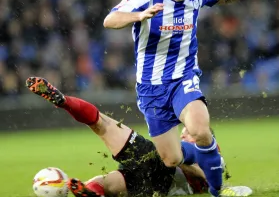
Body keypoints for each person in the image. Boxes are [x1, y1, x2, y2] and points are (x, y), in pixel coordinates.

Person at [103, 0, 278, 196]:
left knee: (200, 128)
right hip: (151, 88)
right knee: (171, 159)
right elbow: (110, 20)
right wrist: (138, 15)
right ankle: (197, 154)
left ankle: (219, 189)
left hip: (183, 79)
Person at [26, 76, 253, 197]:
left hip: (157, 167)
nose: (185, 135)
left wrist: (177, 153)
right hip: (150, 187)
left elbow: (202, 175)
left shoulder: (211, 157)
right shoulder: (185, 150)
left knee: (102, 124)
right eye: (183, 133)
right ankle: (84, 189)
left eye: (188, 134)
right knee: (108, 184)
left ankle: (64, 102)